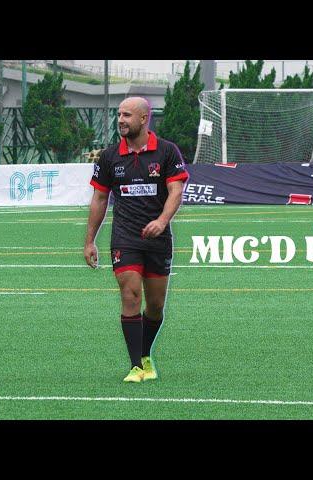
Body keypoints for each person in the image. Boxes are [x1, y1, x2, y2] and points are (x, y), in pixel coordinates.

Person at [84, 97, 189, 383]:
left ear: (144, 119)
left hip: (158, 238)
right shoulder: (109, 156)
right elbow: (100, 198)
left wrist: (161, 221)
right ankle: (135, 367)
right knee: (130, 295)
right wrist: (89, 240)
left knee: (155, 306)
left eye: (127, 115)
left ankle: (144, 354)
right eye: (119, 114)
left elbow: (175, 191)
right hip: (125, 237)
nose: (121, 120)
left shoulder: (167, 151)